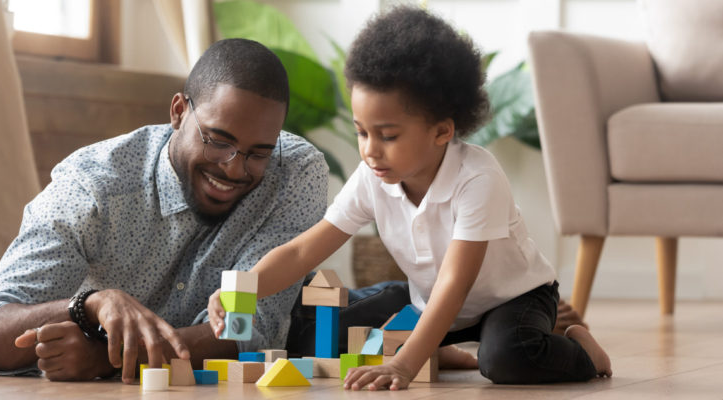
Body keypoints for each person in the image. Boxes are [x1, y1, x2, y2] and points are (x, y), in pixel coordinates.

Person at [208, 5, 612, 390]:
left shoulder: (478, 178)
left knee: (507, 359)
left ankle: (582, 350)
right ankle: (443, 349)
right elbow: (302, 253)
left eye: (388, 135)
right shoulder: (372, 176)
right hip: (427, 301)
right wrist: (241, 290)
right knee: (312, 335)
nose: (370, 150)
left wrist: (404, 363)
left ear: (441, 132)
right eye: (362, 132)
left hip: (510, 301)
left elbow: (455, 283)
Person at [0, 38, 330, 383]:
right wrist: (89, 306)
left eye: (258, 153)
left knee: (381, 307)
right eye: (218, 141)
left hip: (307, 326)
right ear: (179, 111)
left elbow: (250, 329)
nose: (235, 168)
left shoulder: (294, 173)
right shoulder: (92, 188)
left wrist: (109, 358)